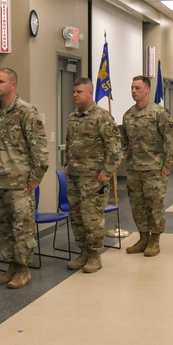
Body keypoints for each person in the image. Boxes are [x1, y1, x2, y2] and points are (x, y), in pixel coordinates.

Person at [0, 68, 49, 289]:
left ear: (13, 85)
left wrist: (35, 179)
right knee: (2, 228)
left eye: (1, 81)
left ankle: (23, 270)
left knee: (22, 228)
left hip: (20, 183)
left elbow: (40, 149)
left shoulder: (26, 112)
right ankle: (11, 266)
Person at [64, 77, 122, 274]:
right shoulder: (73, 118)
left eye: (79, 92)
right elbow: (69, 145)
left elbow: (115, 148)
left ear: (90, 93)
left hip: (93, 179)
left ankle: (95, 256)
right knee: (76, 217)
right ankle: (83, 252)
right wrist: (67, 167)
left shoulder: (102, 117)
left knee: (92, 218)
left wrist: (107, 172)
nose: (75, 95)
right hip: (74, 177)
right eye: (74, 91)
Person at [121, 76, 173, 257]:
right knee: (137, 206)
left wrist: (167, 164)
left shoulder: (159, 113)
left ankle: (155, 240)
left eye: (137, 88)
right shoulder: (128, 115)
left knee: (154, 205)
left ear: (147, 90)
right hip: (134, 169)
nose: (133, 91)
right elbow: (124, 142)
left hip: (154, 168)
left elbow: (171, 139)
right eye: (132, 88)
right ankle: (143, 237)